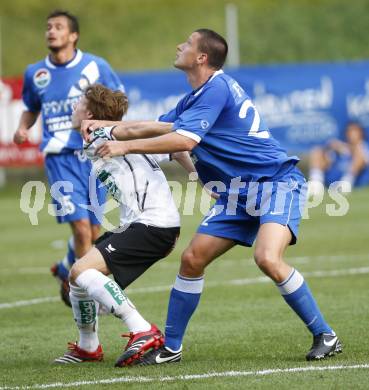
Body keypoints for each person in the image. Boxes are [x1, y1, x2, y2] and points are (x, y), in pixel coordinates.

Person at [81, 29, 342, 364]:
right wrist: (106, 125)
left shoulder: (216, 88)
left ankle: (326, 334)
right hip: (236, 194)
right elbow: (158, 127)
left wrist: (123, 144)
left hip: (275, 182)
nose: (179, 46)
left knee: (267, 257)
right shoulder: (197, 96)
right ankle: (170, 349)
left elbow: (183, 140)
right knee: (192, 260)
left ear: (201, 57)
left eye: (187, 43)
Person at [55, 83, 198, 366]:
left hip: (152, 225)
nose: (73, 107)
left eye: (79, 103)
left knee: (81, 271)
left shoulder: (101, 132)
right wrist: (199, 178)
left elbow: (132, 132)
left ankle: (142, 329)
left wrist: (179, 127)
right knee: (78, 278)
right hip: (150, 226)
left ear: (92, 113)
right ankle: (88, 347)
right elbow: (177, 152)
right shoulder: (109, 138)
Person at [13, 10, 124, 306]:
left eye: (58, 27)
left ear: (73, 35)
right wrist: (24, 127)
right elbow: (31, 106)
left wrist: (110, 130)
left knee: (95, 227)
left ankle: (67, 267)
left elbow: (118, 100)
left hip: (92, 157)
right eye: (48, 26)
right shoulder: (36, 73)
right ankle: (86, 297)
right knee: (82, 228)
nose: (51, 31)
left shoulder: (95, 66)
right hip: (59, 157)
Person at [308, 122, 369, 196]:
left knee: (358, 154)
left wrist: (345, 148)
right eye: (350, 131)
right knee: (317, 151)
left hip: (354, 181)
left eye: (355, 131)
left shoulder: (364, 147)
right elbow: (328, 159)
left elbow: (362, 159)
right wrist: (331, 147)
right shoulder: (341, 147)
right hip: (333, 181)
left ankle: (345, 185)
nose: (352, 134)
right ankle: (316, 185)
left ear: (361, 133)